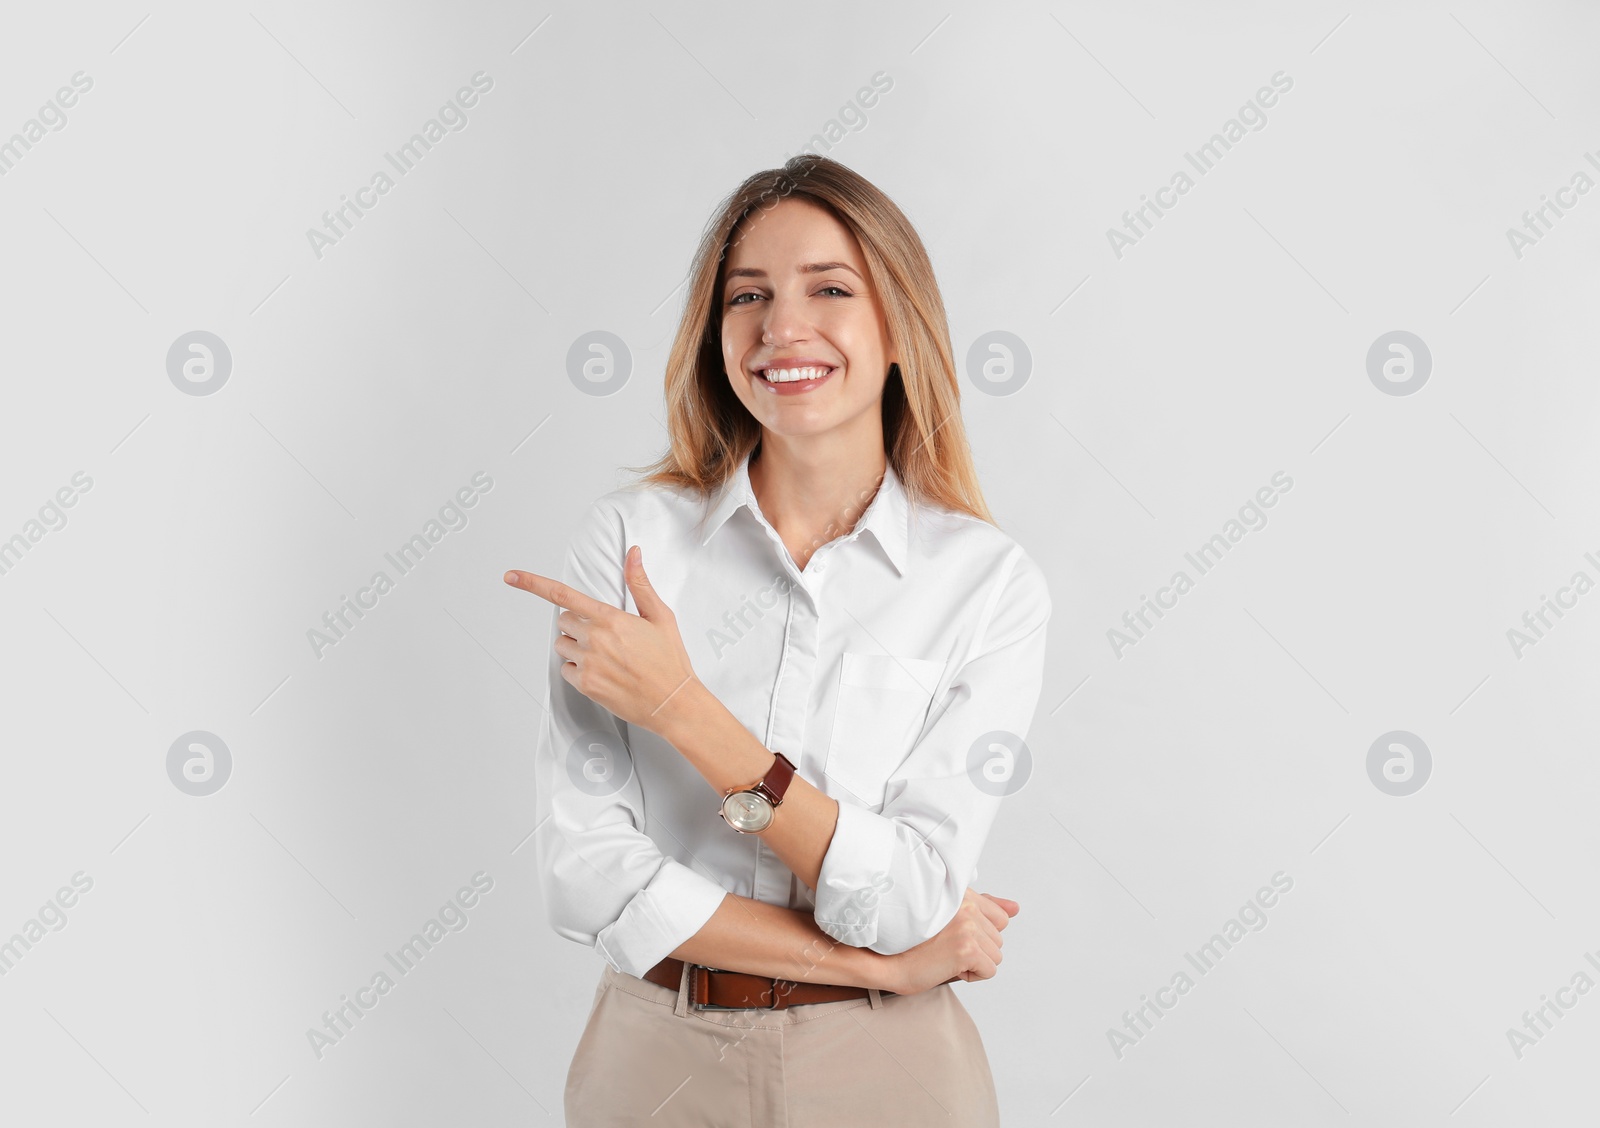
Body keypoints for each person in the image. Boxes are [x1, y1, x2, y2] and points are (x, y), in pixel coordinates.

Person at [504, 154, 1052, 1126]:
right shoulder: (632, 545)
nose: (780, 327)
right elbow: (585, 878)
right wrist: (860, 957)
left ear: (899, 328)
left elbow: (913, 897)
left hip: (890, 1066)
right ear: (714, 334)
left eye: (830, 289)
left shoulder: (984, 583)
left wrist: (681, 709)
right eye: (746, 295)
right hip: (656, 1062)